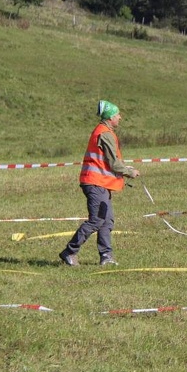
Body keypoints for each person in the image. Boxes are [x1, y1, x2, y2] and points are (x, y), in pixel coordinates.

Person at [59, 100, 140, 266]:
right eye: (117, 114)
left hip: (100, 183)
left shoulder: (104, 131)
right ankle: (69, 251)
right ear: (110, 117)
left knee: (107, 220)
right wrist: (130, 172)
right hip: (95, 183)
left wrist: (124, 168)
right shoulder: (105, 133)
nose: (120, 117)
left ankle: (106, 256)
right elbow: (114, 163)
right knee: (96, 220)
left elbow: (109, 161)